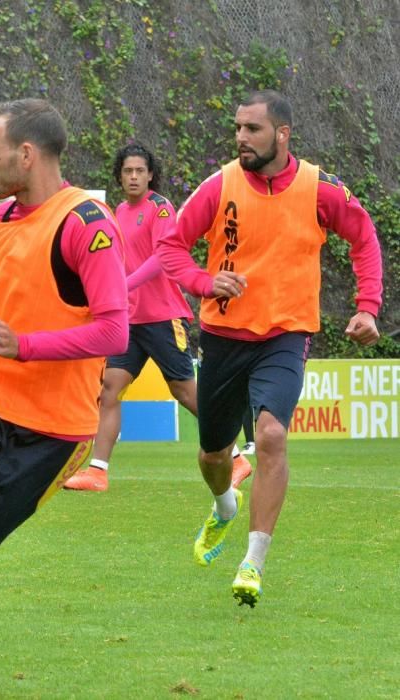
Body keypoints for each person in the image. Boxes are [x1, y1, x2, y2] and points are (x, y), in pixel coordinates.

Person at [156, 89, 382, 608]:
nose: (240, 137)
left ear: (282, 134)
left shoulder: (320, 188)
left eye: (251, 129)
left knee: (272, 434)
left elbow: (364, 236)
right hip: (222, 339)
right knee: (213, 453)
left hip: (286, 335)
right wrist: (204, 281)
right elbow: (170, 244)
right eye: (237, 127)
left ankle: (253, 561)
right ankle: (224, 506)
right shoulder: (219, 186)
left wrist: (367, 305)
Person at [0, 98, 129, 604]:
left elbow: (114, 333)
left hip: (51, 432)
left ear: (26, 154)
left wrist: (23, 347)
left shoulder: (86, 223)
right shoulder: (1, 217)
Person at [64, 143, 253, 492]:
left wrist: (123, 285)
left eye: (139, 171)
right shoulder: (117, 211)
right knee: (109, 389)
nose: (133, 176)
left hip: (164, 317)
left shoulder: (160, 208)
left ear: (150, 175)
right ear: (119, 176)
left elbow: (162, 258)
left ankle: (238, 458)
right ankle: (98, 471)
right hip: (129, 320)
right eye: (127, 171)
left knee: (184, 391)